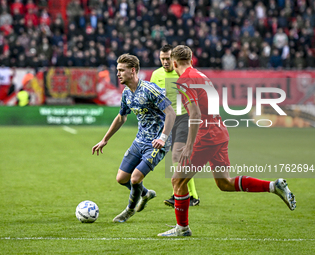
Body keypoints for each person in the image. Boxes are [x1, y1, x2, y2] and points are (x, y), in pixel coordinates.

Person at [158, 45, 296, 237]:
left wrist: (189, 145)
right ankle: (274, 186)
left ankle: (182, 228)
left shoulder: (185, 80)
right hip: (219, 132)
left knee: (177, 181)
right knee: (224, 183)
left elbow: (196, 113)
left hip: (205, 136)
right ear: (192, 59)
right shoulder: (201, 76)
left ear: (173, 63)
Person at [92, 54, 176, 223]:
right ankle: (145, 193)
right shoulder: (126, 94)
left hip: (157, 143)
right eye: (117, 70)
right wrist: (105, 139)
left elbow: (171, 113)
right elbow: (121, 117)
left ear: (132, 71)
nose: (118, 74)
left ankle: (129, 211)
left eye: (121, 70)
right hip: (140, 140)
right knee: (121, 179)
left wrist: (163, 138)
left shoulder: (149, 90)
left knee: (135, 177)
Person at [150, 44, 200, 207]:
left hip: (184, 117)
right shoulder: (156, 75)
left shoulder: (182, 74)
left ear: (174, 59)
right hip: (167, 119)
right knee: (176, 159)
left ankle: (188, 195)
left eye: (167, 59)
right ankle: (188, 194)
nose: (165, 62)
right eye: (162, 59)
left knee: (178, 156)